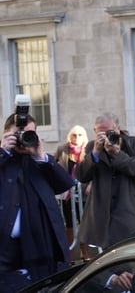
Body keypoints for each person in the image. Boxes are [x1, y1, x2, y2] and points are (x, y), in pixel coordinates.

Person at [0, 113, 73, 292]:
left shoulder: (39, 161)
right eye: (18, 133)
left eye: (29, 133)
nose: (23, 138)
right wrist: (3, 152)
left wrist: (41, 156)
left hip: (37, 245)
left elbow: (64, 184)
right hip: (4, 246)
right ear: (6, 134)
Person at [75, 113, 135, 250]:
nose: (106, 137)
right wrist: (95, 154)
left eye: (109, 132)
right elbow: (81, 175)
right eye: (101, 133)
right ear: (95, 132)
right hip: (102, 215)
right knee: (109, 263)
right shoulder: (92, 147)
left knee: (132, 256)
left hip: (129, 211)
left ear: (118, 129)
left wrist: (118, 154)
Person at [53, 124, 92, 261]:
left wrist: (90, 185)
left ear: (84, 137)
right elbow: (54, 166)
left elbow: (94, 170)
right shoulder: (62, 149)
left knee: (84, 222)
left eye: (80, 135)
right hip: (67, 192)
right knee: (69, 222)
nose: (76, 138)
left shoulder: (89, 150)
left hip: (83, 192)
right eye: (74, 135)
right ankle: (69, 253)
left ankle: (84, 251)